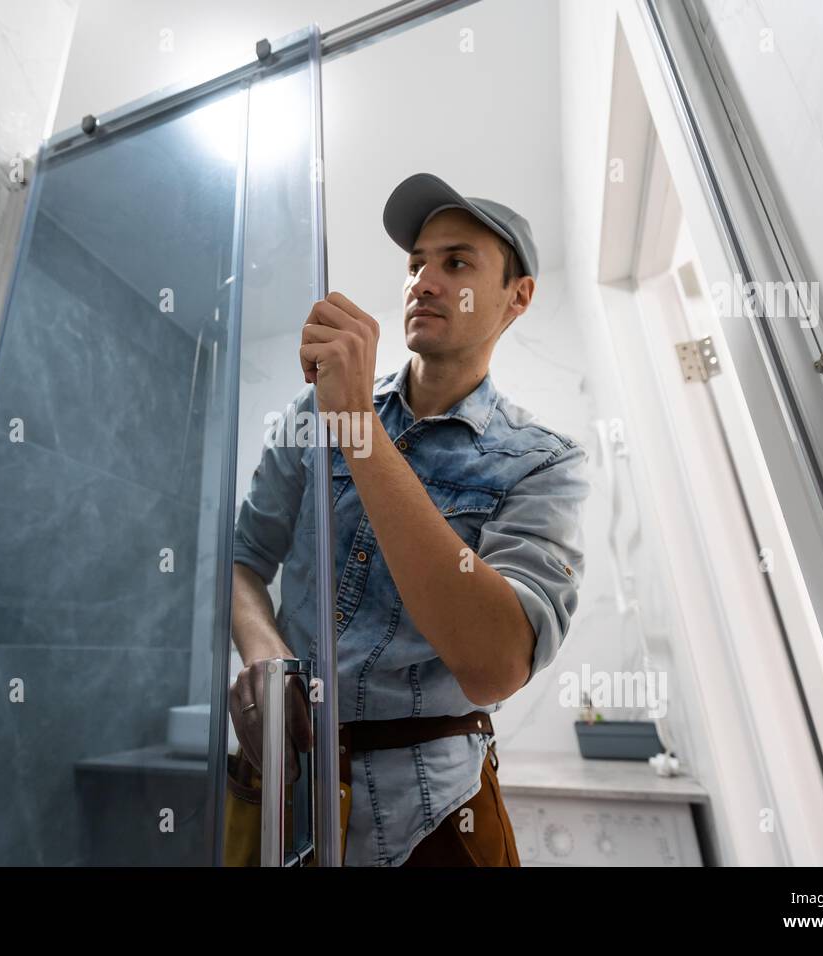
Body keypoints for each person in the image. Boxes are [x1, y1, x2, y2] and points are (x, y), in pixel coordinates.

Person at [229, 172, 591, 866]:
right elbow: (245, 559)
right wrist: (263, 652)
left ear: (518, 297)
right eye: (415, 263)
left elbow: (492, 664)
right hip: (289, 788)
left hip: (435, 823)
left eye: (455, 262)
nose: (423, 281)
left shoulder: (543, 463)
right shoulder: (315, 415)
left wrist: (359, 427)